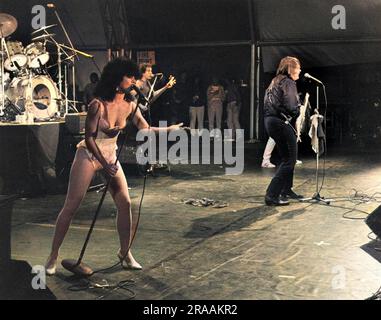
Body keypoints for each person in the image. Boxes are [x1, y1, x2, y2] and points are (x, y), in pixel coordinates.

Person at [44, 58, 183, 275]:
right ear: (117, 79)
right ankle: (52, 256)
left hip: (110, 154)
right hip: (90, 153)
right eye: (130, 76)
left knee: (125, 203)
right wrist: (103, 162)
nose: (134, 80)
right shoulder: (97, 104)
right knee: (71, 205)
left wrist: (169, 130)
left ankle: (124, 253)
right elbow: (89, 138)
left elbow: (144, 128)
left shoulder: (130, 104)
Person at [263, 56, 304, 206]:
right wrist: (298, 109)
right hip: (279, 122)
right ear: (291, 69)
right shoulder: (288, 82)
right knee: (290, 160)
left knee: (286, 157)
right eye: (298, 67)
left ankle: (286, 190)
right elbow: (292, 105)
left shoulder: (275, 80)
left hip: (270, 121)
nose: (300, 70)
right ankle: (271, 194)